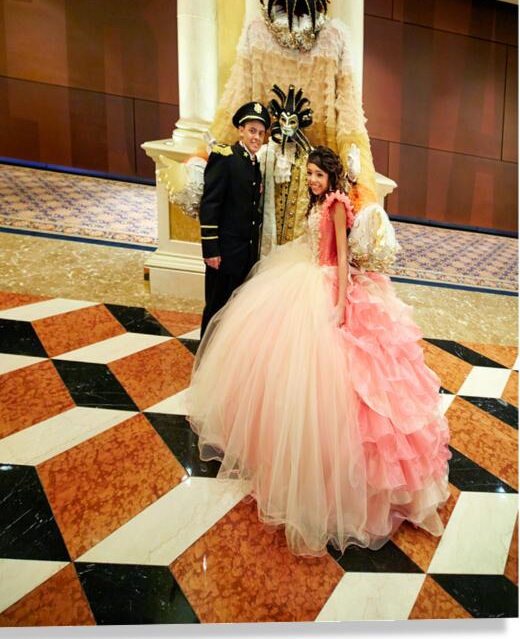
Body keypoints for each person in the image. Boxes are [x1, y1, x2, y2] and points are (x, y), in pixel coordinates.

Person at [188, 146, 451, 557]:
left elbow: (342, 259)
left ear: (331, 177)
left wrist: (340, 304)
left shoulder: (338, 206)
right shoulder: (318, 203)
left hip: (329, 286)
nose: (312, 180)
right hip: (306, 278)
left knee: (338, 384)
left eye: (317, 175)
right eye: (309, 174)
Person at [199, 101, 271, 339]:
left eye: (261, 133)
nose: (256, 137)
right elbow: (210, 205)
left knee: (233, 311)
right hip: (224, 254)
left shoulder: (254, 164)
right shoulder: (225, 157)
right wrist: (211, 249)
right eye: (252, 131)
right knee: (216, 308)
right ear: (241, 130)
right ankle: (205, 359)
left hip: (244, 255)